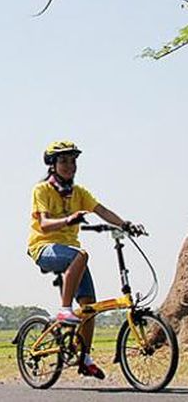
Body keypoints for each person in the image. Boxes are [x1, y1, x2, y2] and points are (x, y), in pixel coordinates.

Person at [28, 141, 138, 380]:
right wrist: (69, 220)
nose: (70, 166)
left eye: (73, 161)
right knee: (82, 255)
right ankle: (64, 310)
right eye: (64, 161)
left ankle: (85, 358)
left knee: (89, 306)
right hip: (43, 248)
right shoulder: (42, 190)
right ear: (53, 165)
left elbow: (102, 211)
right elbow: (45, 225)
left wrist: (126, 224)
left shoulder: (79, 193)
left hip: (70, 254)